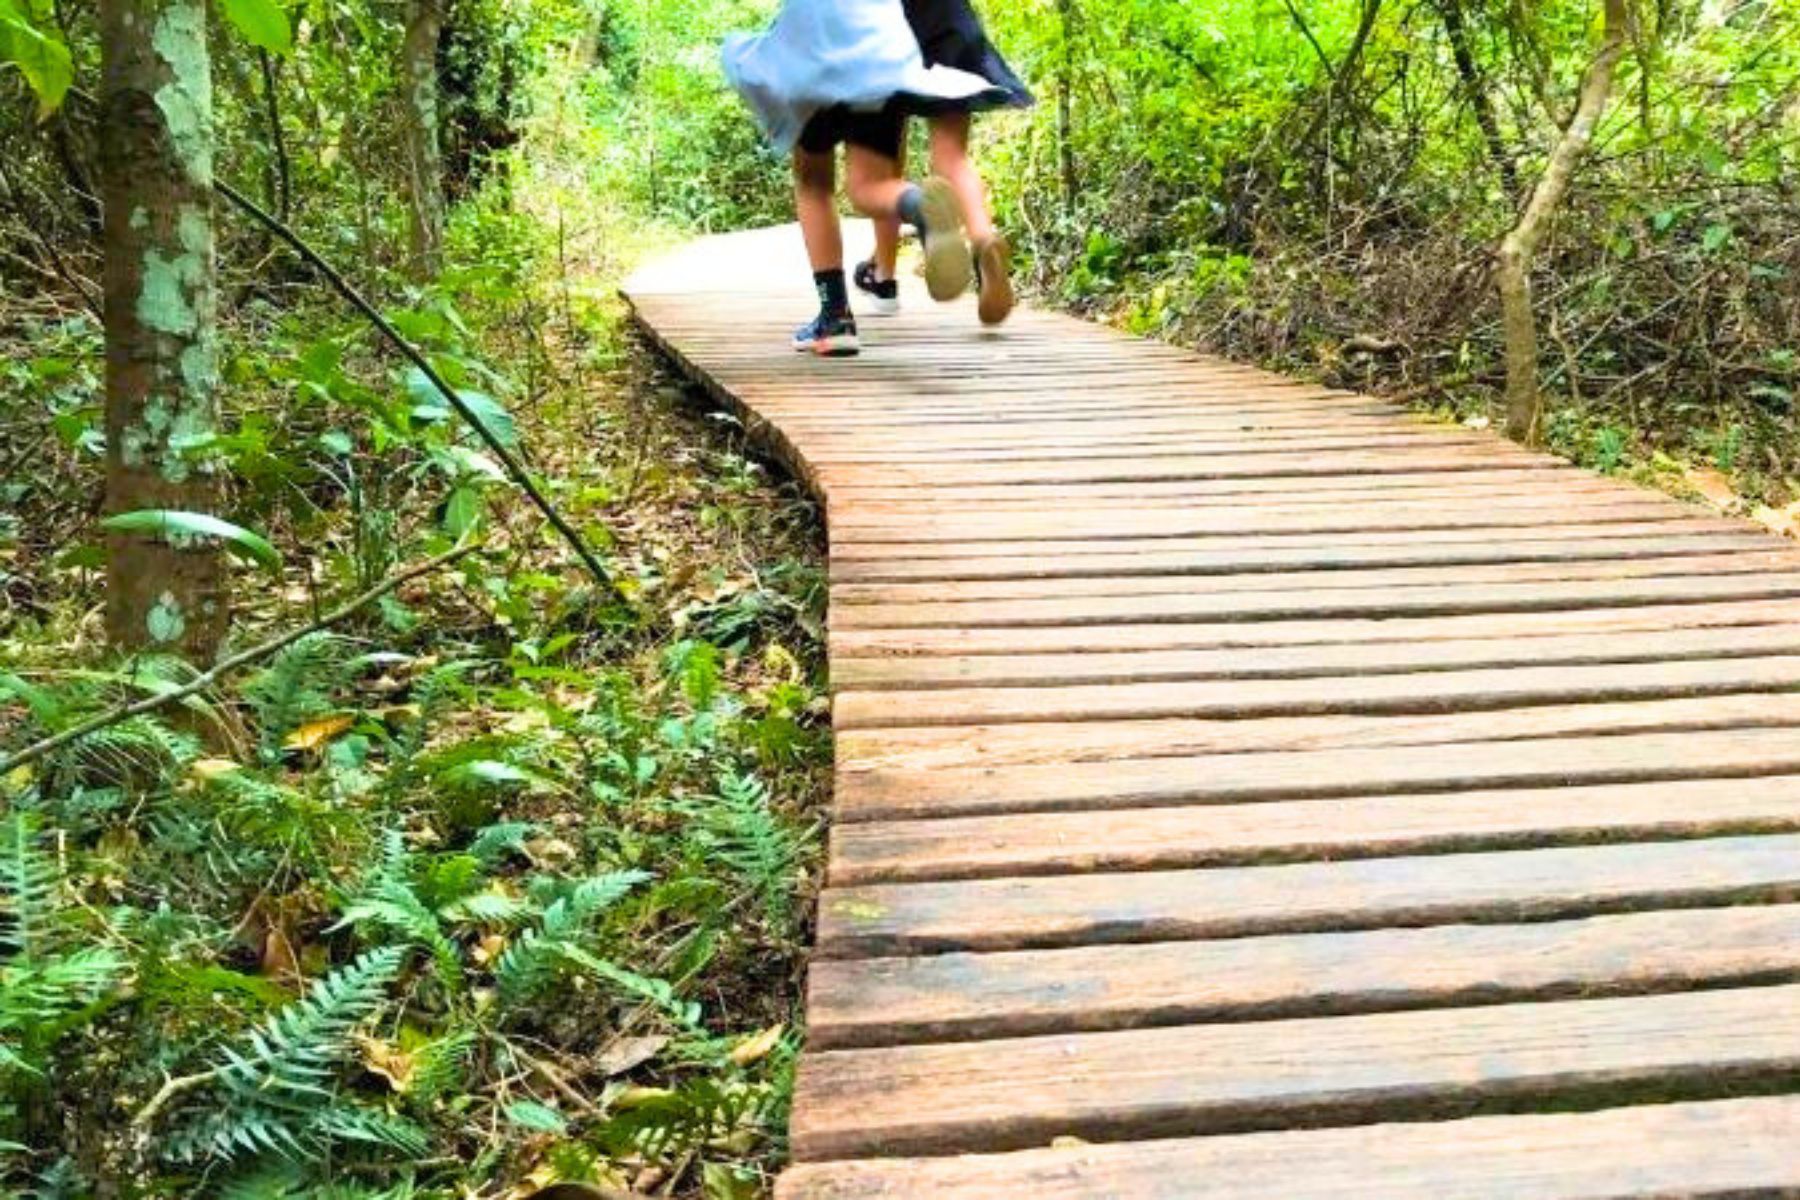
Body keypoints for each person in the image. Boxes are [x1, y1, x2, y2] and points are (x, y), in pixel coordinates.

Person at [723, 0, 1031, 355]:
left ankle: (836, 317)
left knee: (813, 180)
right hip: (881, 48)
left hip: (813, 48)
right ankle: (955, 227)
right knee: (884, 179)